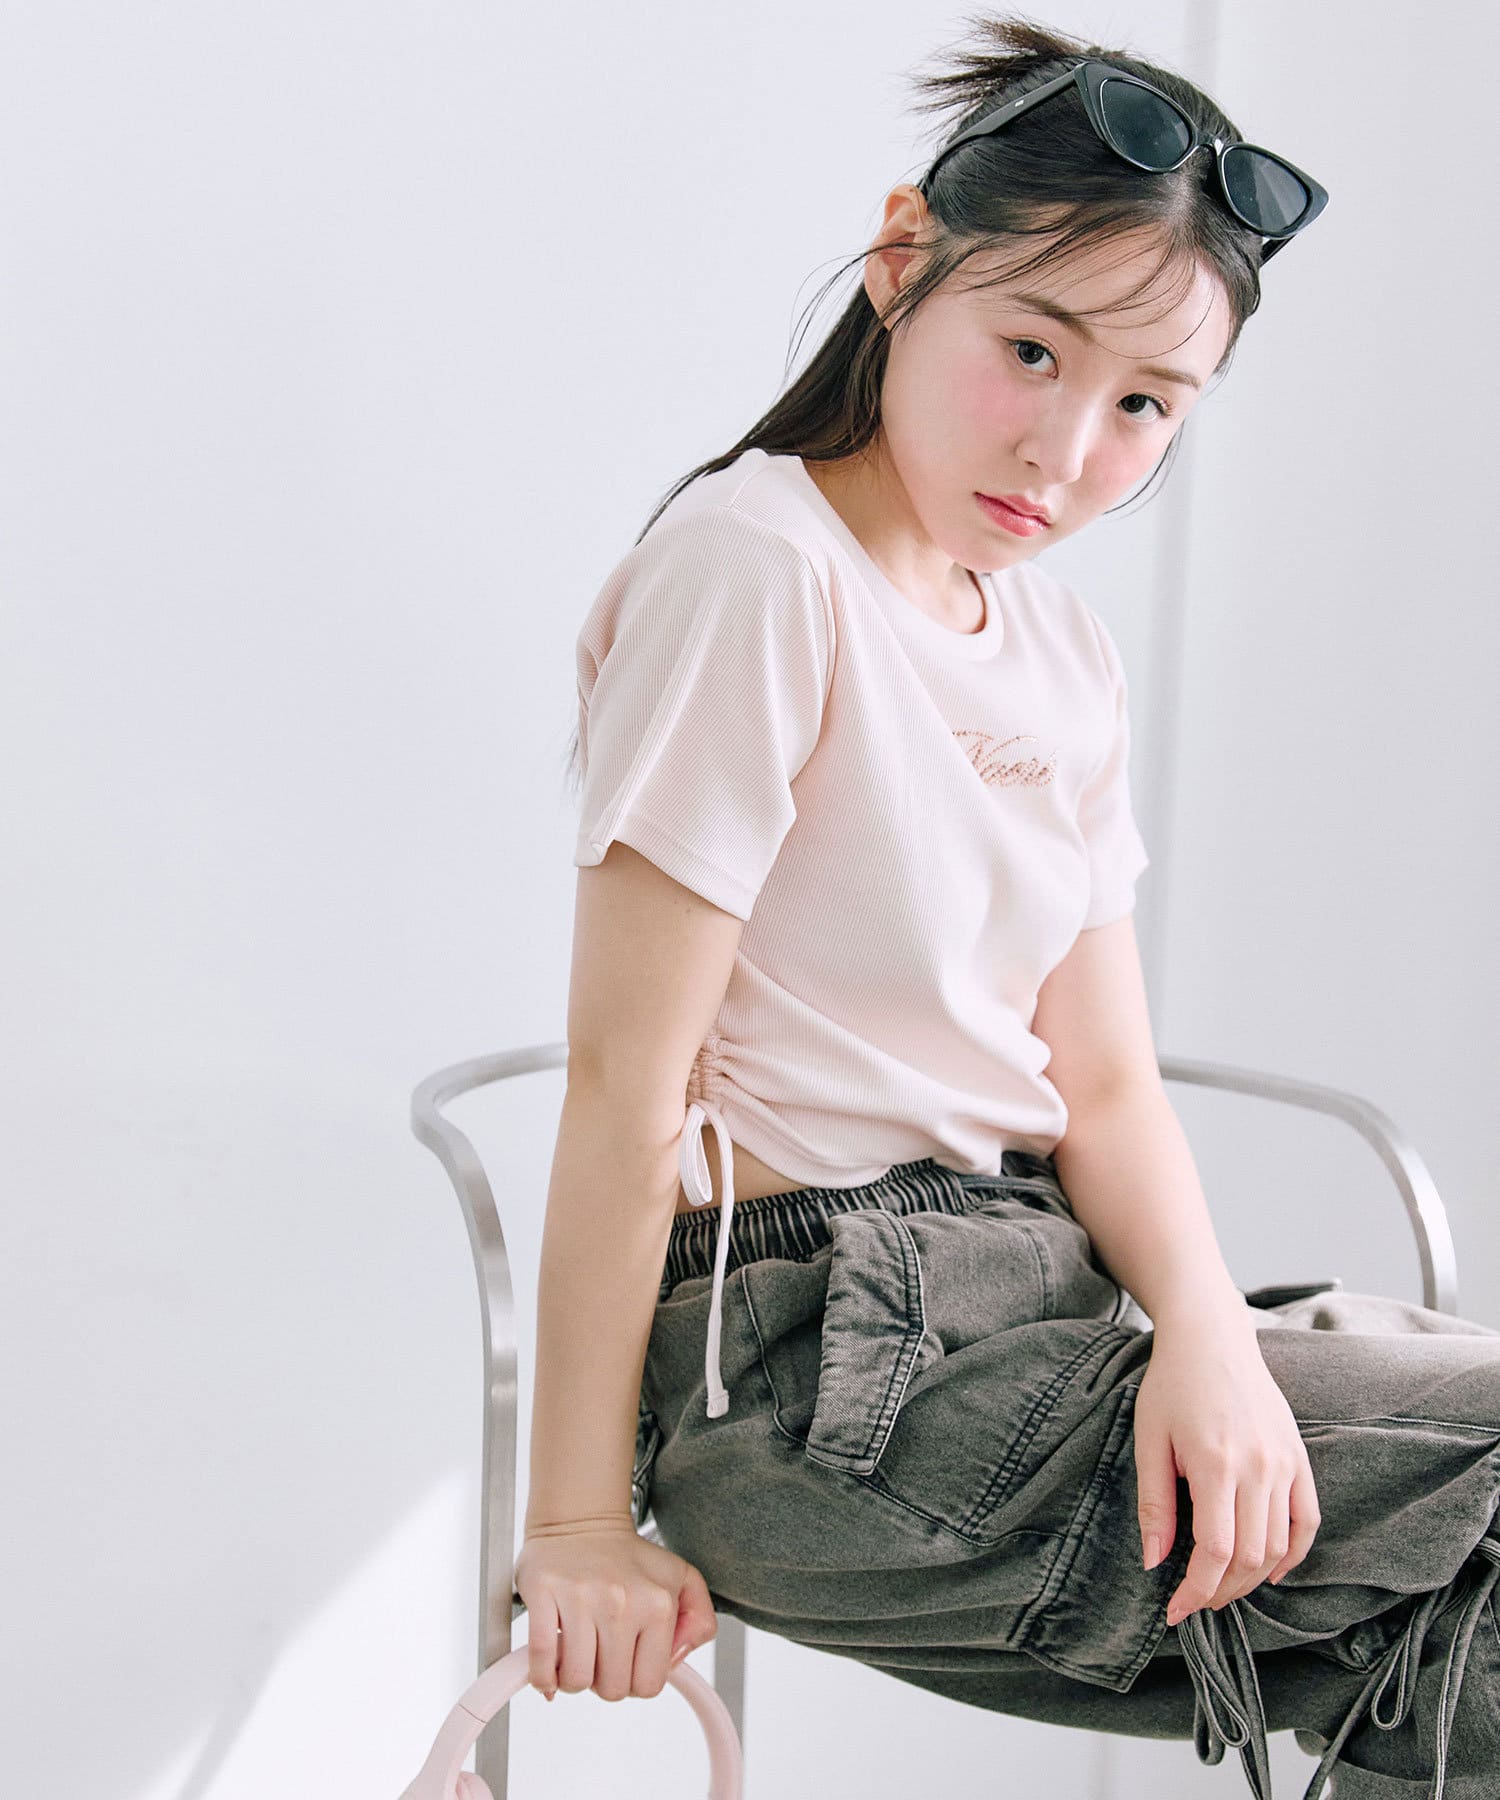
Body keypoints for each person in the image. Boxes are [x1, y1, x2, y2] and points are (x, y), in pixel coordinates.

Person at [514, 14, 1500, 1797]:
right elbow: (622, 1086)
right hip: (811, 1370)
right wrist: (578, 1519)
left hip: (1040, 1302)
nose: (1064, 447)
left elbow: (1104, 1087)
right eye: (1031, 350)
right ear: (904, 263)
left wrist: (1207, 1338)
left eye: (1144, 405)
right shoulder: (758, 573)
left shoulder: (1058, 652)